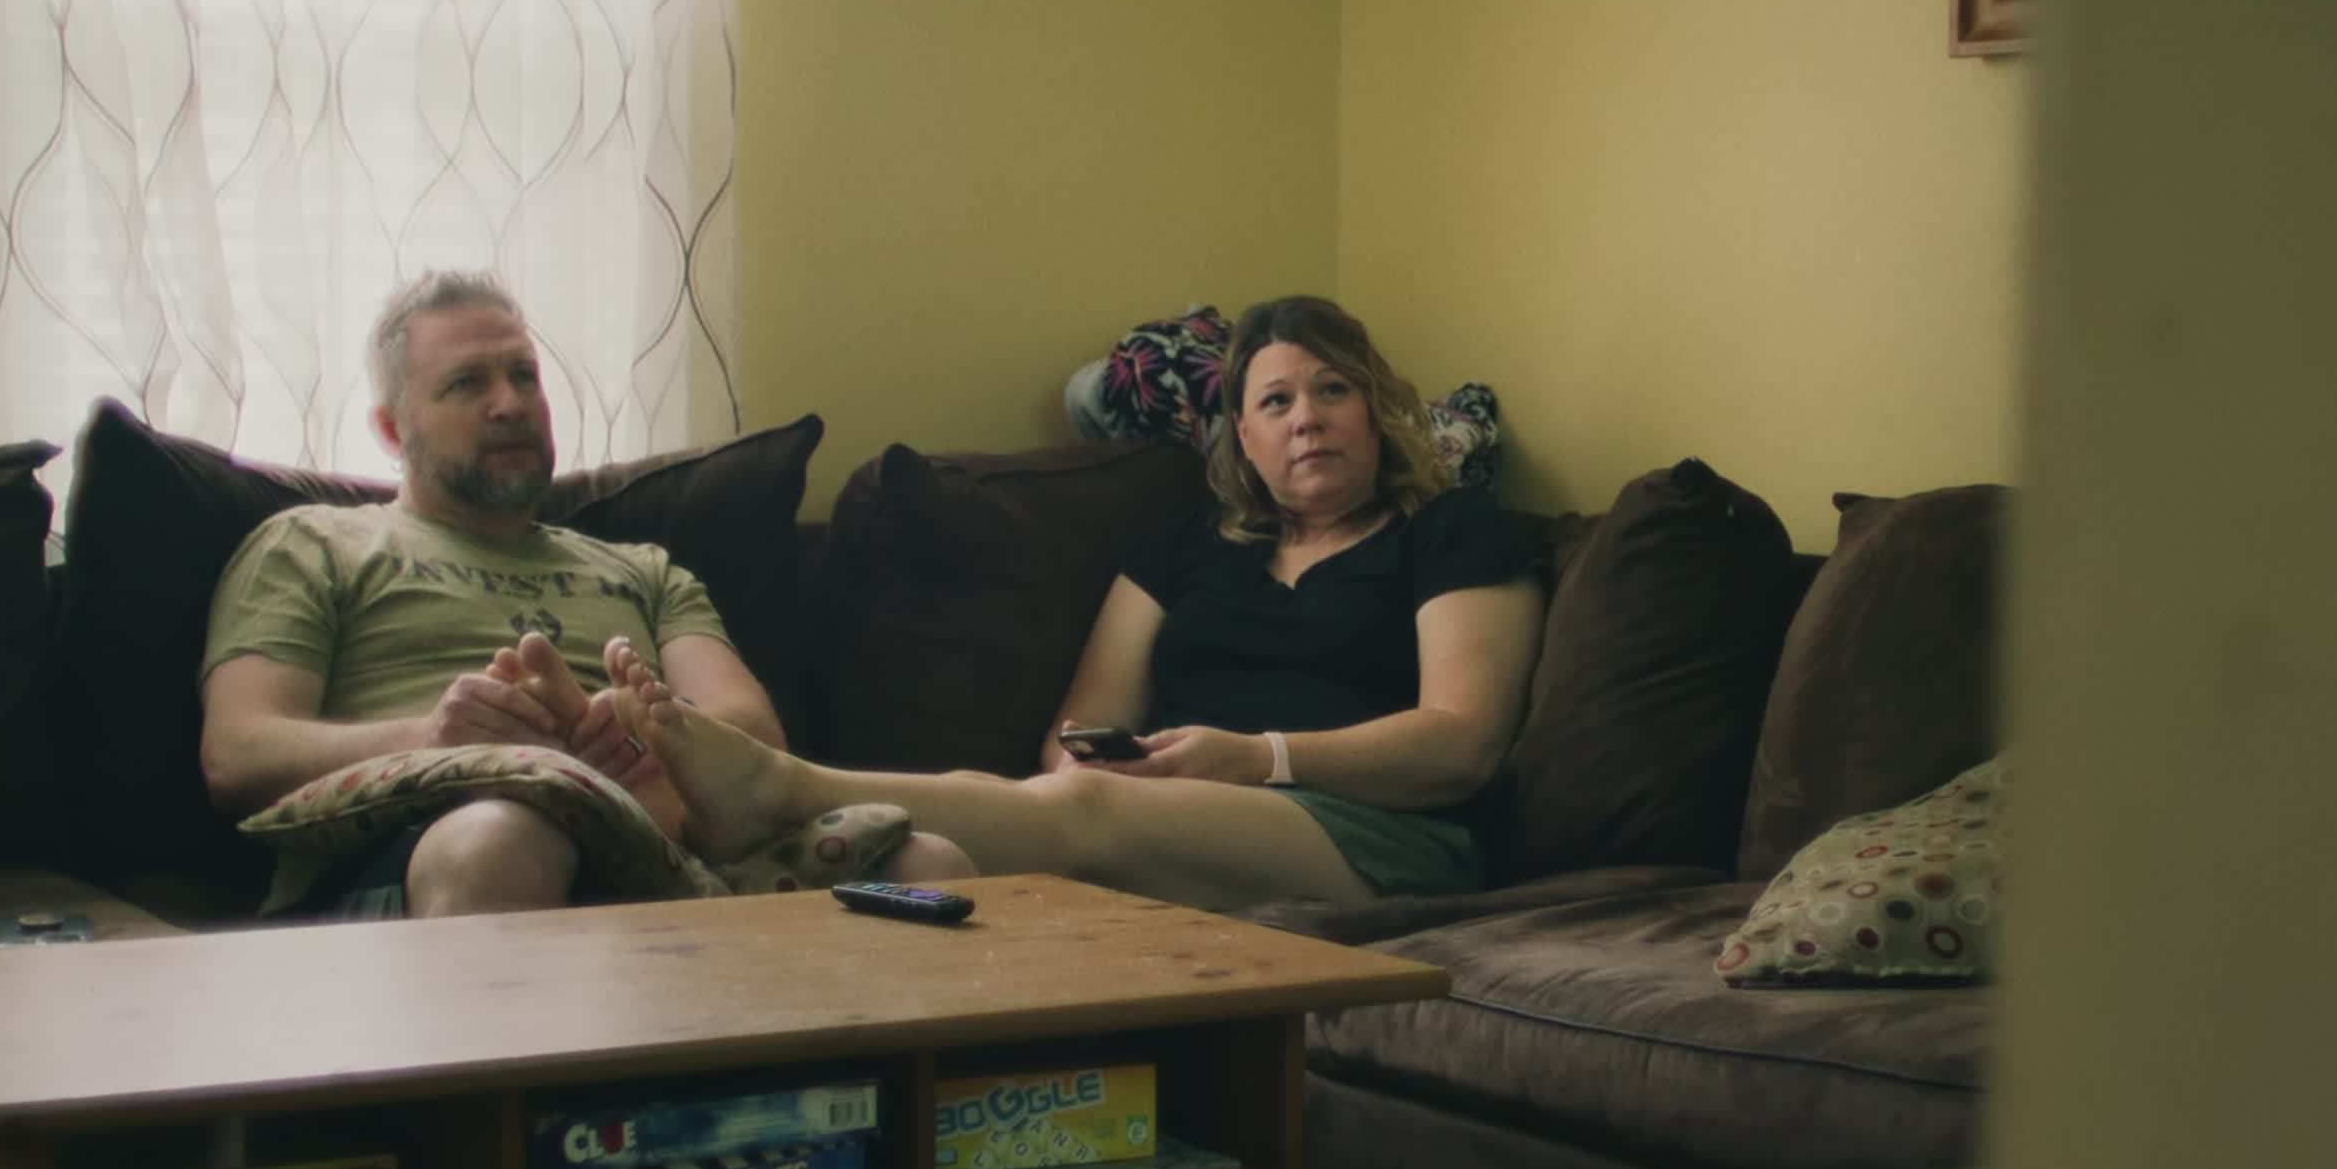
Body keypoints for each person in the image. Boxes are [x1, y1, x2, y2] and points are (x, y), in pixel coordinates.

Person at [614, 295, 1545, 913]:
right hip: (1178, 806)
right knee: (983, 808)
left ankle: (780, 788)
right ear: (1244, 439)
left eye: (1332, 390)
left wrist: (1257, 758)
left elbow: (1459, 743)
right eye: (1276, 402)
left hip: (1378, 834)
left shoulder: (1451, 531)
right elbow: (1075, 732)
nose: (1306, 416)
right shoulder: (1187, 548)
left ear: (1374, 411)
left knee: (1084, 808)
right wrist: (1113, 758)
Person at [197, 268, 972, 917]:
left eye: (523, 375)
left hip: (671, 850)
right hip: (426, 845)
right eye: (467, 383)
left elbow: (751, 733)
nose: (509, 403)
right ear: (393, 430)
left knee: (927, 860)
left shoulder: (644, 570)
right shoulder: (314, 544)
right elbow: (237, 754)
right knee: (505, 836)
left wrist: (647, 733)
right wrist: (435, 737)